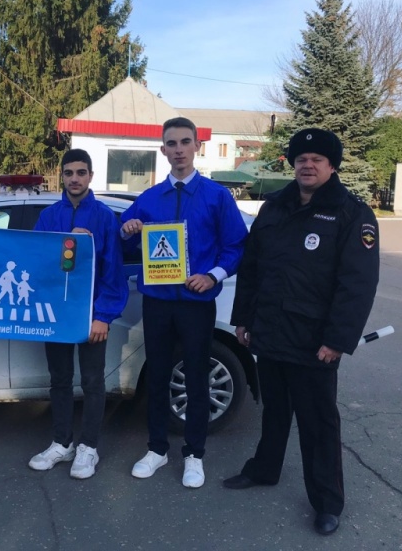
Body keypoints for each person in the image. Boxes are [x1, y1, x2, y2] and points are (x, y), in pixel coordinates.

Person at [223, 128, 380, 536]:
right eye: (301, 159)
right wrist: (244, 319)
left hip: (315, 342)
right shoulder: (274, 208)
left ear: (331, 166)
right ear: (293, 164)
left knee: (318, 423)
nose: (307, 165)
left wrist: (337, 340)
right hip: (270, 332)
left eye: (316, 159)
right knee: (274, 411)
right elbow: (252, 268)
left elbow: (357, 284)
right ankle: (265, 469)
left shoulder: (351, 213)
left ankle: (328, 502)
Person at [120, 117, 247, 488]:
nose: (178, 150)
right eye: (171, 143)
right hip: (157, 301)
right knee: (157, 375)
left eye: (185, 142)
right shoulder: (148, 199)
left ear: (196, 147)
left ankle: (194, 454)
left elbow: (236, 244)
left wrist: (213, 275)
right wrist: (127, 231)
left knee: (196, 378)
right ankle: (157, 449)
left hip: (196, 302)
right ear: (163, 150)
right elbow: (124, 241)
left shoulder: (216, 196)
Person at [28, 148, 128, 479]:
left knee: (92, 381)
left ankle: (88, 447)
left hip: (90, 317)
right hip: (56, 315)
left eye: (81, 172)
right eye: (69, 173)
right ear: (62, 175)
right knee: (59, 380)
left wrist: (103, 315)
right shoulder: (48, 217)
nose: (74, 178)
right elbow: (39, 268)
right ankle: (62, 442)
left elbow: (113, 272)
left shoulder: (103, 217)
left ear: (91, 176)